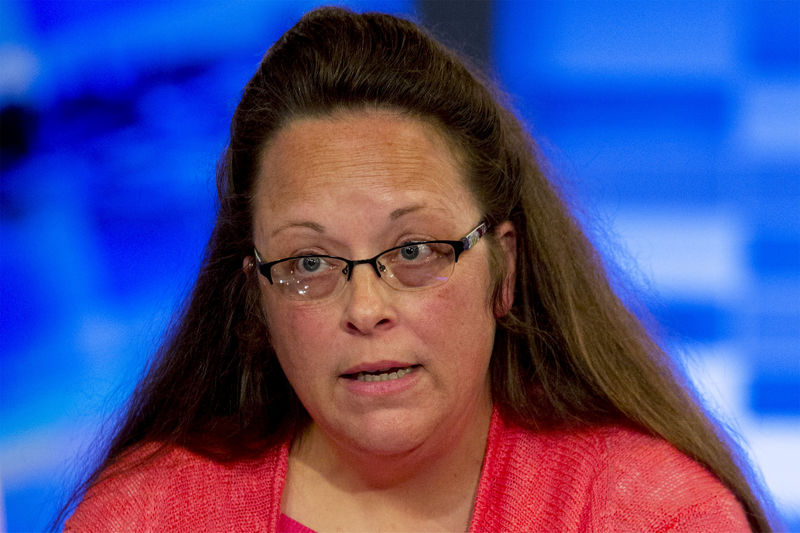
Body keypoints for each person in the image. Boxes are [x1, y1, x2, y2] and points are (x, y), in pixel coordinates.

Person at [62, 6, 773, 532]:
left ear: (505, 270)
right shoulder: (145, 516)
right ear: (256, 303)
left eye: (414, 251)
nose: (365, 306)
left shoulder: (651, 515)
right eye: (310, 261)